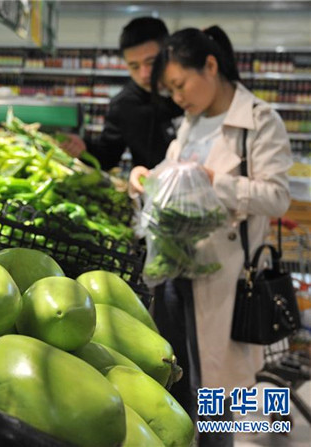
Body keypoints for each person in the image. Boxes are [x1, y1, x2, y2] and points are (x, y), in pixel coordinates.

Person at [129, 26, 292, 446]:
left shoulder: (259, 121)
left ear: (211, 66)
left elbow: (277, 198)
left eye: (180, 84)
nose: (177, 97)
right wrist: (144, 178)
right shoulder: (191, 123)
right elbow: (172, 176)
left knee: (216, 393)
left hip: (225, 279)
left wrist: (214, 180)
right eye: (170, 90)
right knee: (179, 380)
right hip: (174, 272)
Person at [61, 17, 182, 170]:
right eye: (134, 66)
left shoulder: (192, 90)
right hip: (152, 183)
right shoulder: (124, 105)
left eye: (151, 62)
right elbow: (107, 155)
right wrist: (84, 148)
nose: (144, 74)